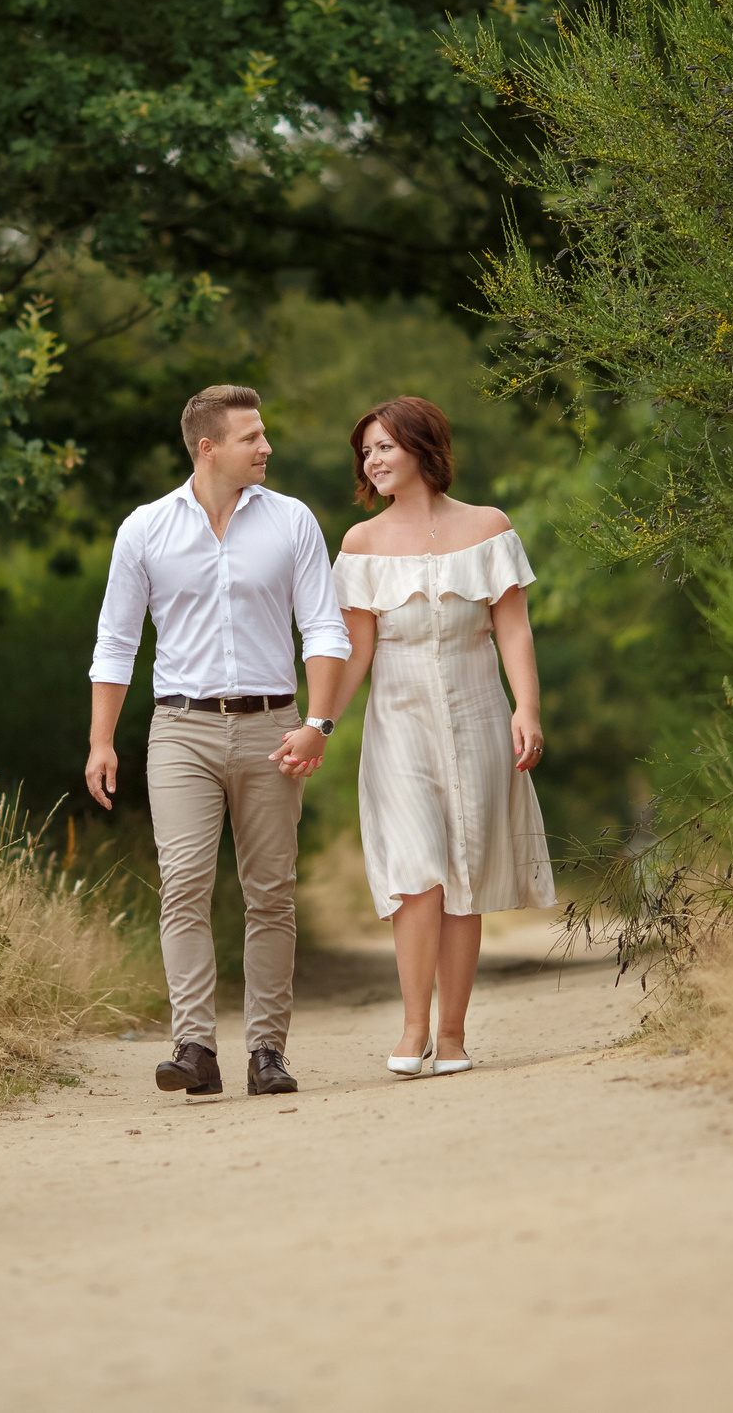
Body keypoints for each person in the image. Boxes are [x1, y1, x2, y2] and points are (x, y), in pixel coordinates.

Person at [86, 385, 349, 1098]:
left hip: (274, 727)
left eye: (264, 435)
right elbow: (117, 641)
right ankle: (194, 1046)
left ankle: (268, 1050)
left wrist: (318, 723)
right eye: (252, 436)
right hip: (180, 729)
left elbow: (325, 628)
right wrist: (101, 741)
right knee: (184, 887)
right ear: (209, 447)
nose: (267, 446)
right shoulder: (144, 529)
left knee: (271, 893)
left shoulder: (293, 521)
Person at [315, 395, 554, 1076]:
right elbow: (354, 652)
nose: (374, 459)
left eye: (384, 445)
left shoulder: (489, 526)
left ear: (422, 445)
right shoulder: (360, 544)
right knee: (416, 872)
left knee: (463, 873)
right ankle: (413, 1024)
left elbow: (513, 627)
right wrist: (320, 724)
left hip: (480, 712)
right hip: (399, 726)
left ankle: (453, 1035)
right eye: (366, 451)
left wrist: (527, 708)